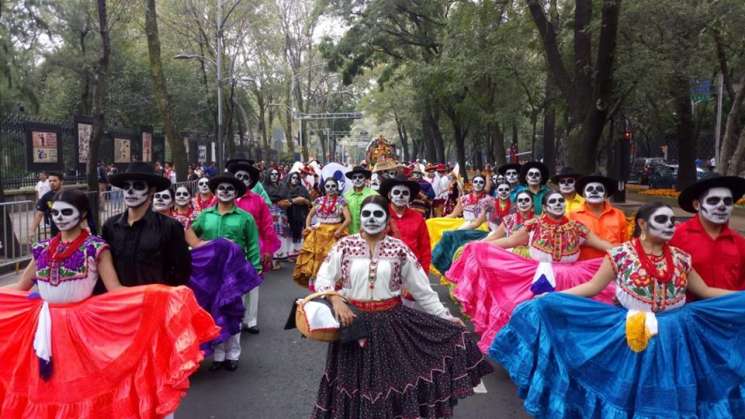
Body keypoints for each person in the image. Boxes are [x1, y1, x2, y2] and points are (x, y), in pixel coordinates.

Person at [490, 202, 745, 418]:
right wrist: (549, 299)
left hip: (677, 335)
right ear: (643, 225)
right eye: (662, 220)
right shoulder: (621, 255)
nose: (670, 225)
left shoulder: (681, 258)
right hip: (628, 332)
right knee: (627, 391)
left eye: (672, 221)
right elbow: (591, 288)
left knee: (672, 390)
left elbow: (707, 292)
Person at [0, 189, 218, 417]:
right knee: (45, 385)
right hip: (42, 325)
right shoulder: (42, 248)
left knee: (81, 387)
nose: (59, 217)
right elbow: (20, 286)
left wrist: (160, 294)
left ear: (83, 214)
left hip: (80, 327)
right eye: (55, 213)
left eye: (67, 212)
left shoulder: (96, 247)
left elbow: (116, 290)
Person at [310, 195, 493, 418]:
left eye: (378, 214)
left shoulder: (399, 249)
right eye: (366, 214)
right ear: (360, 217)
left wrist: (445, 317)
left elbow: (422, 290)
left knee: (388, 383)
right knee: (352, 381)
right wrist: (336, 299)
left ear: (387, 219)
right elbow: (323, 279)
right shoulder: (345, 245)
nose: (371, 219)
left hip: (390, 324)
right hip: (352, 323)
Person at [447, 191, 615, 351]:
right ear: (545, 206)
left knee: (570, 320)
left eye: (560, 201)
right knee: (527, 315)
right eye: (553, 201)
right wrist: (478, 245)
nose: (557, 204)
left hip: (572, 278)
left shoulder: (578, 228)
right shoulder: (534, 226)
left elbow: (601, 244)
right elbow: (510, 241)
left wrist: (630, 250)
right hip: (540, 276)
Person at [189, 174, 261, 371]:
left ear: (236, 193)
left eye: (230, 188)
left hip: (235, 270)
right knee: (215, 312)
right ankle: (219, 355)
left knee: (233, 311)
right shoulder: (205, 216)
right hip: (211, 271)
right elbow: (191, 234)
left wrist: (255, 269)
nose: (225, 191)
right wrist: (200, 247)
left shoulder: (245, 218)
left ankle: (233, 354)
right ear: (215, 192)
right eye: (221, 188)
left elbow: (253, 244)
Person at [101, 162, 191, 288]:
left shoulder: (170, 227)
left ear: (152, 190)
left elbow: (181, 272)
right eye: (126, 186)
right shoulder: (110, 227)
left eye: (138, 186)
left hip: (155, 303)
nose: (130, 191)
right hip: (121, 304)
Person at [227, 160, 279, 334]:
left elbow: (267, 225)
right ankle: (236, 317)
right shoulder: (223, 197)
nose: (241, 179)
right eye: (238, 176)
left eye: (245, 177)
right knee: (232, 283)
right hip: (230, 249)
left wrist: (267, 250)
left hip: (253, 246)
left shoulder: (257, 200)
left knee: (253, 284)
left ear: (250, 181)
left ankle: (251, 320)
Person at [670, 175, 745, 291]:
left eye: (727, 201)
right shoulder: (676, 237)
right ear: (697, 205)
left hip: (731, 308)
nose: (722, 206)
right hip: (688, 308)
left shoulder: (740, 243)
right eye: (713, 200)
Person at [292, 177, 351, 290]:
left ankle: (334, 287)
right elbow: (309, 215)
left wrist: (339, 230)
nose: (330, 189)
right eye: (328, 186)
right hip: (319, 233)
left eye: (333, 186)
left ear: (337, 188)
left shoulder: (341, 201)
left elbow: (348, 219)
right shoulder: (319, 201)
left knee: (333, 259)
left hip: (334, 232)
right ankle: (317, 286)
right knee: (317, 259)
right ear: (324, 188)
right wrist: (308, 227)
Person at [430, 175, 494, 275]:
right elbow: (454, 214)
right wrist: (437, 220)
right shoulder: (464, 198)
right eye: (475, 181)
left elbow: (486, 219)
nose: (478, 184)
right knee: (444, 233)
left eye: (481, 182)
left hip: (481, 225)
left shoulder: (490, 200)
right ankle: (448, 264)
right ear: (472, 184)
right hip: (465, 222)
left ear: (484, 184)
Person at [570, 174, 629, 260]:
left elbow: (625, 243)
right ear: (583, 194)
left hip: (613, 264)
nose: (594, 192)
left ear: (605, 195)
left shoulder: (618, 215)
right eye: (590, 189)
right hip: (584, 265)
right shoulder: (573, 215)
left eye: (599, 189)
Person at [380, 175, 431, 272]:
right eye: (397, 192)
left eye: (405, 193)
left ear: (409, 197)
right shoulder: (380, 216)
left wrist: (424, 272)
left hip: (412, 269)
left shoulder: (418, 218)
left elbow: (425, 248)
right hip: (386, 269)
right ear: (389, 195)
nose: (401, 196)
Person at [31, 172, 96, 239]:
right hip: (56, 232)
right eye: (50, 181)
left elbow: (82, 213)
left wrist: (86, 228)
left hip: (74, 232)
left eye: (54, 180)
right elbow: (39, 214)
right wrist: (32, 231)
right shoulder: (46, 197)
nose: (52, 183)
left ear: (61, 182)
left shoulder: (72, 195)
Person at [265, 168, 291, 267]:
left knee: (281, 235)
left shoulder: (282, 186)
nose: (275, 176)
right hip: (269, 214)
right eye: (272, 174)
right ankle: (270, 260)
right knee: (270, 235)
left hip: (282, 215)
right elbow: (264, 199)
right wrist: (276, 201)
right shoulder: (264, 187)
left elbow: (288, 198)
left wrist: (286, 202)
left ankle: (278, 259)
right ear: (268, 175)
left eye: (276, 174)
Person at [342, 165, 377, 234]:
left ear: (365, 179)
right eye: (354, 177)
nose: (357, 179)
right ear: (352, 180)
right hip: (349, 235)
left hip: (368, 234)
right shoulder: (345, 196)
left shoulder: (374, 195)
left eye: (360, 177)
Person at [284, 171, 311, 260]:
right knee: (289, 234)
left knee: (299, 233)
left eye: (297, 178)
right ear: (289, 178)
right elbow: (284, 201)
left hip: (300, 214)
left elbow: (308, 202)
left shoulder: (302, 189)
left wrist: (303, 200)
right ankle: (288, 253)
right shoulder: (285, 188)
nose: (295, 180)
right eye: (293, 178)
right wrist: (295, 200)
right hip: (288, 214)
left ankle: (297, 253)